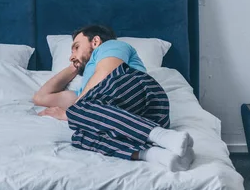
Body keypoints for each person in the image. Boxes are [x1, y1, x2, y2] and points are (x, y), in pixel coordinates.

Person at [33, 24, 194, 171]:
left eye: (76, 47)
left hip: (142, 92)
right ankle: (158, 154)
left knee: (79, 111)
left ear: (95, 41)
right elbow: (41, 97)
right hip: (134, 120)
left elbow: (106, 73)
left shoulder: (111, 46)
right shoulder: (85, 94)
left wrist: (70, 113)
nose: (71, 55)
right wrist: (74, 66)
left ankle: (162, 136)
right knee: (80, 136)